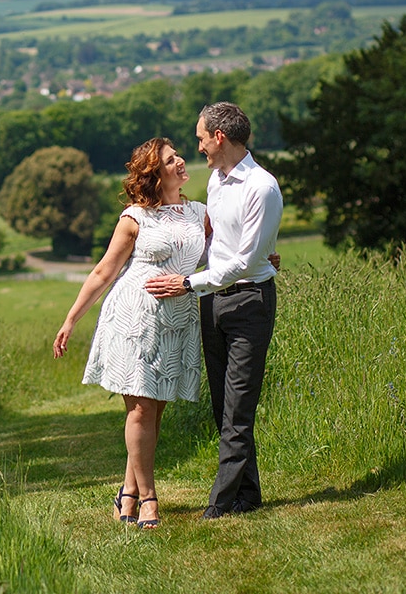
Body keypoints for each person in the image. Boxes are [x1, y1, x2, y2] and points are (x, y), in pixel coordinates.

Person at [53, 138, 207, 529]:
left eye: (178, 156)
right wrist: (71, 319)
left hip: (177, 323)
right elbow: (104, 272)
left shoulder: (201, 214)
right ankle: (150, 499)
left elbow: (222, 258)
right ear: (155, 174)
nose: (181, 162)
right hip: (134, 319)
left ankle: (127, 493)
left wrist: (261, 259)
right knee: (139, 409)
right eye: (171, 160)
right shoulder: (135, 217)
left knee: (153, 414)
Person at [145, 102, 283, 520]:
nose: (199, 146)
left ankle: (219, 505)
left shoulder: (262, 187)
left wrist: (187, 283)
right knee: (224, 406)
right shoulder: (217, 183)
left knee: (239, 408)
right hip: (214, 302)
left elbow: (243, 263)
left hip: (248, 304)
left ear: (219, 137)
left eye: (201, 137)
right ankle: (248, 495)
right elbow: (218, 246)